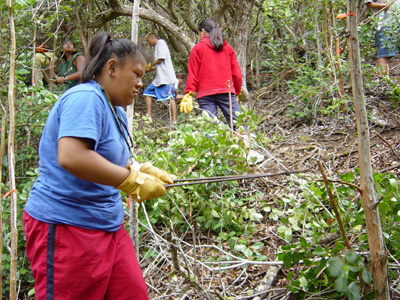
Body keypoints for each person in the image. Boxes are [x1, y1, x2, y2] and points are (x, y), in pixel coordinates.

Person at [23, 31, 173, 300]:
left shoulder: (114, 109)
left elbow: (113, 157)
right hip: (67, 225)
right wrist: (129, 181)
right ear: (112, 67)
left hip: (107, 224)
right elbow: (72, 156)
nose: (141, 83)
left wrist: (139, 169)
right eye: (137, 74)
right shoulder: (85, 97)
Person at [181, 19, 248, 145]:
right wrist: (236, 92)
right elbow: (237, 74)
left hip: (205, 95)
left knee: (209, 129)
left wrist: (188, 94)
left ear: (202, 32)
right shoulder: (227, 48)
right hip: (226, 91)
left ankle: (212, 161)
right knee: (239, 124)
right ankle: (247, 156)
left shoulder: (197, 49)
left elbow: (193, 74)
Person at [143, 32, 178, 123]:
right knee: (147, 93)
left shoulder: (161, 43)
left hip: (167, 77)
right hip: (159, 78)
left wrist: (151, 64)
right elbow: (157, 65)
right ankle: (149, 117)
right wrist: (147, 69)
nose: (148, 43)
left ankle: (174, 120)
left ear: (152, 37)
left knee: (170, 97)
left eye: (148, 41)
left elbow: (161, 58)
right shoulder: (157, 46)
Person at [366, 0, 400, 75]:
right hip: (385, 23)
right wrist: (382, 6)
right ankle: (382, 77)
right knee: (383, 52)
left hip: (397, 21)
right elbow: (368, 3)